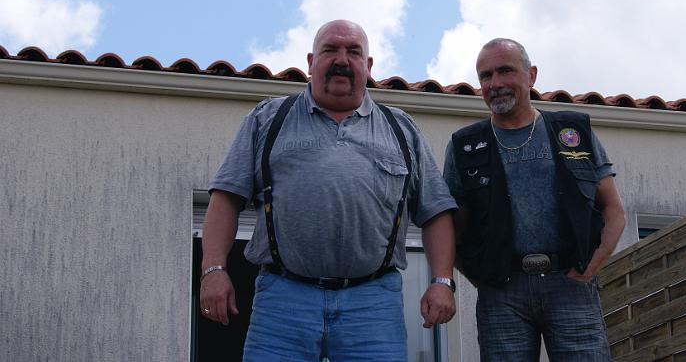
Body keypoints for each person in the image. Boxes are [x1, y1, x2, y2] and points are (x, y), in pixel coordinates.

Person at [200, 20, 457, 361]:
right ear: (311, 62)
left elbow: (436, 211)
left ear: (368, 66)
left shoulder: (401, 128)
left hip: (373, 305)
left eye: (353, 52)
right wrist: (213, 270)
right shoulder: (268, 119)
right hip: (282, 302)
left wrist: (442, 281)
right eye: (330, 49)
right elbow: (226, 198)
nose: (341, 60)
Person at [444, 38, 625, 361]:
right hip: (502, 293)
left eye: (505, 71)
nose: (495, 83)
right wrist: (481, 277)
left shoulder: (572, 132)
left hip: (571, 284)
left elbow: (614, 211)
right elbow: (450, 227)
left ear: (531, 75)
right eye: (486, 75)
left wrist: (591, 267)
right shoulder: (464, 146)